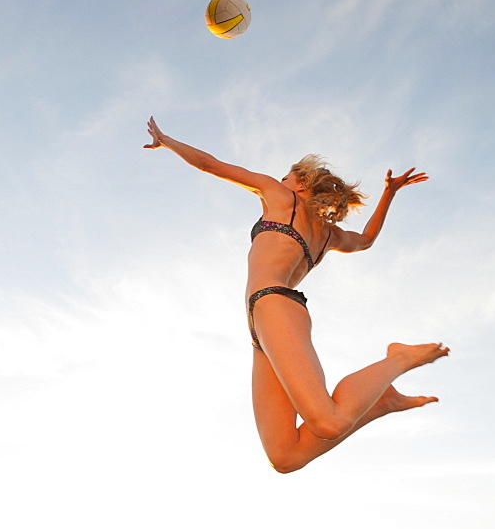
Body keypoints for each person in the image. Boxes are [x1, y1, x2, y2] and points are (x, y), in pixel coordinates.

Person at [144, 116, 449, 473]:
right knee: (285, 457)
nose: (281, 180)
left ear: (301, 182)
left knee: (329, 423)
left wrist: (167, 141)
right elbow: (365, 240)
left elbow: (210, 164)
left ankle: (398, 359)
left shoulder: (280, 197)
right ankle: (380, 403)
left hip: (274, 303)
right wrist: (388, 194)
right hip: (263, 323)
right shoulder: (328, 234)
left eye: (287, 176)